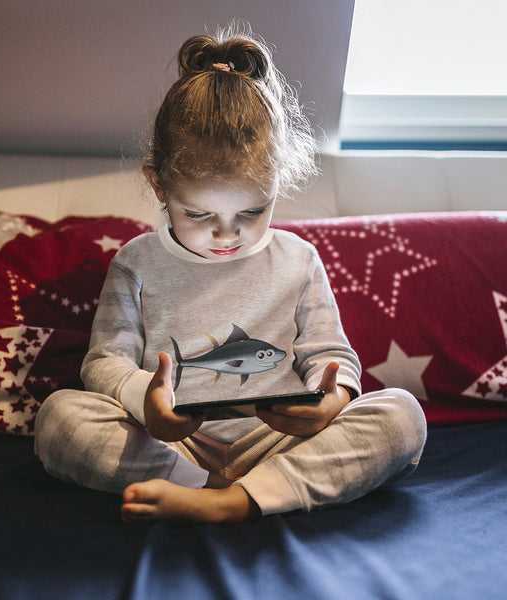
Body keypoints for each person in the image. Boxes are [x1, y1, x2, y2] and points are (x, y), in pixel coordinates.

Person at [34, 24, 427, 524]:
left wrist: (333, 400)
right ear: (158, 184)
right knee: (61, 418)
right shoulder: (136, 262)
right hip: (172, 443)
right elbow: (105, 362)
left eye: (251, 212)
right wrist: (145, 402)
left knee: (401, 416)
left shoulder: (299, 258)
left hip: (280, 442)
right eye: (199, 215)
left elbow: (329, 352)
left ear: (277, 181)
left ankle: (229, 500)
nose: (227, 236)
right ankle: (215, 489)